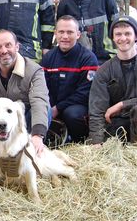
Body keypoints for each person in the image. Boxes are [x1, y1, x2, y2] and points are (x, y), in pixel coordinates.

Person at [88, 15, 137, 146]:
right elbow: (97, 109)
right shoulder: (104, 70)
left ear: (136, 36)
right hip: (118, 125)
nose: (123, 38)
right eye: (118, 34)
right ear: (113, 38)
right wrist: (96, 142)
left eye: (127, 33)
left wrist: (122, 105)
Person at [41, 15, 99, 143]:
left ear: (78, 34)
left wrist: (59, 108)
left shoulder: (88, 58)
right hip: (53, 106)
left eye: (70, 32)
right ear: (55, 34)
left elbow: (85, 93)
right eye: (61, 32)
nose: (65, 36)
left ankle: (80, 142)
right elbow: (41, 87)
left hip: (76, 107)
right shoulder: (48, 58)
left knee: (72, 114)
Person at [57, 0, 119, 64]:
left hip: (107, 57)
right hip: (79, 60)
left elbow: (117, 25)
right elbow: (62, 31)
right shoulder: (65, 3)